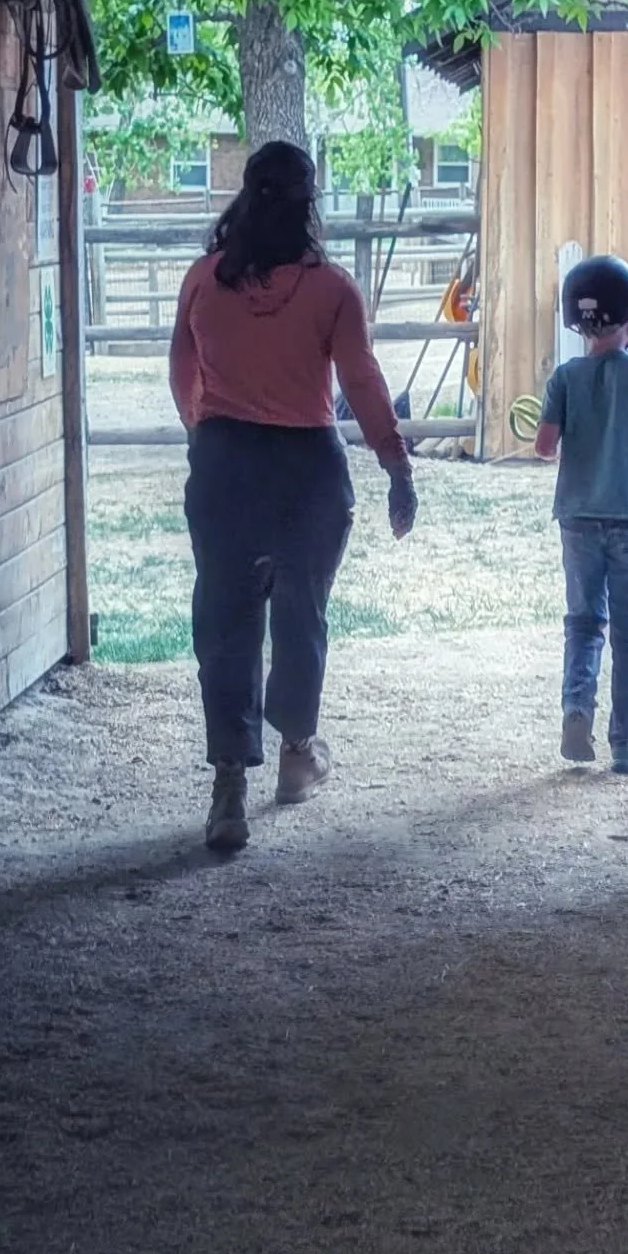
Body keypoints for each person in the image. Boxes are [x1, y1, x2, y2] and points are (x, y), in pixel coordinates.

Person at [169, 141, 417, 852]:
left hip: (226, 464)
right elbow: (362, 382)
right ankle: (296, 754)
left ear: (246, 196)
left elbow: (182, 371)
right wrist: (396, 467)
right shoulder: (331, 288)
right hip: (307, 469)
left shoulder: (203, 280)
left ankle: (228, 789)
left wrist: (209, 437)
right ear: (311, 204)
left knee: (225, 618)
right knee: (301, 614)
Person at [533, 255, 628, 775]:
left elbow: (543, 447)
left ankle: (577, 708)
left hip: (577, 518)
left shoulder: (565, 377)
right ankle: (626, 744)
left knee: (583, 623)